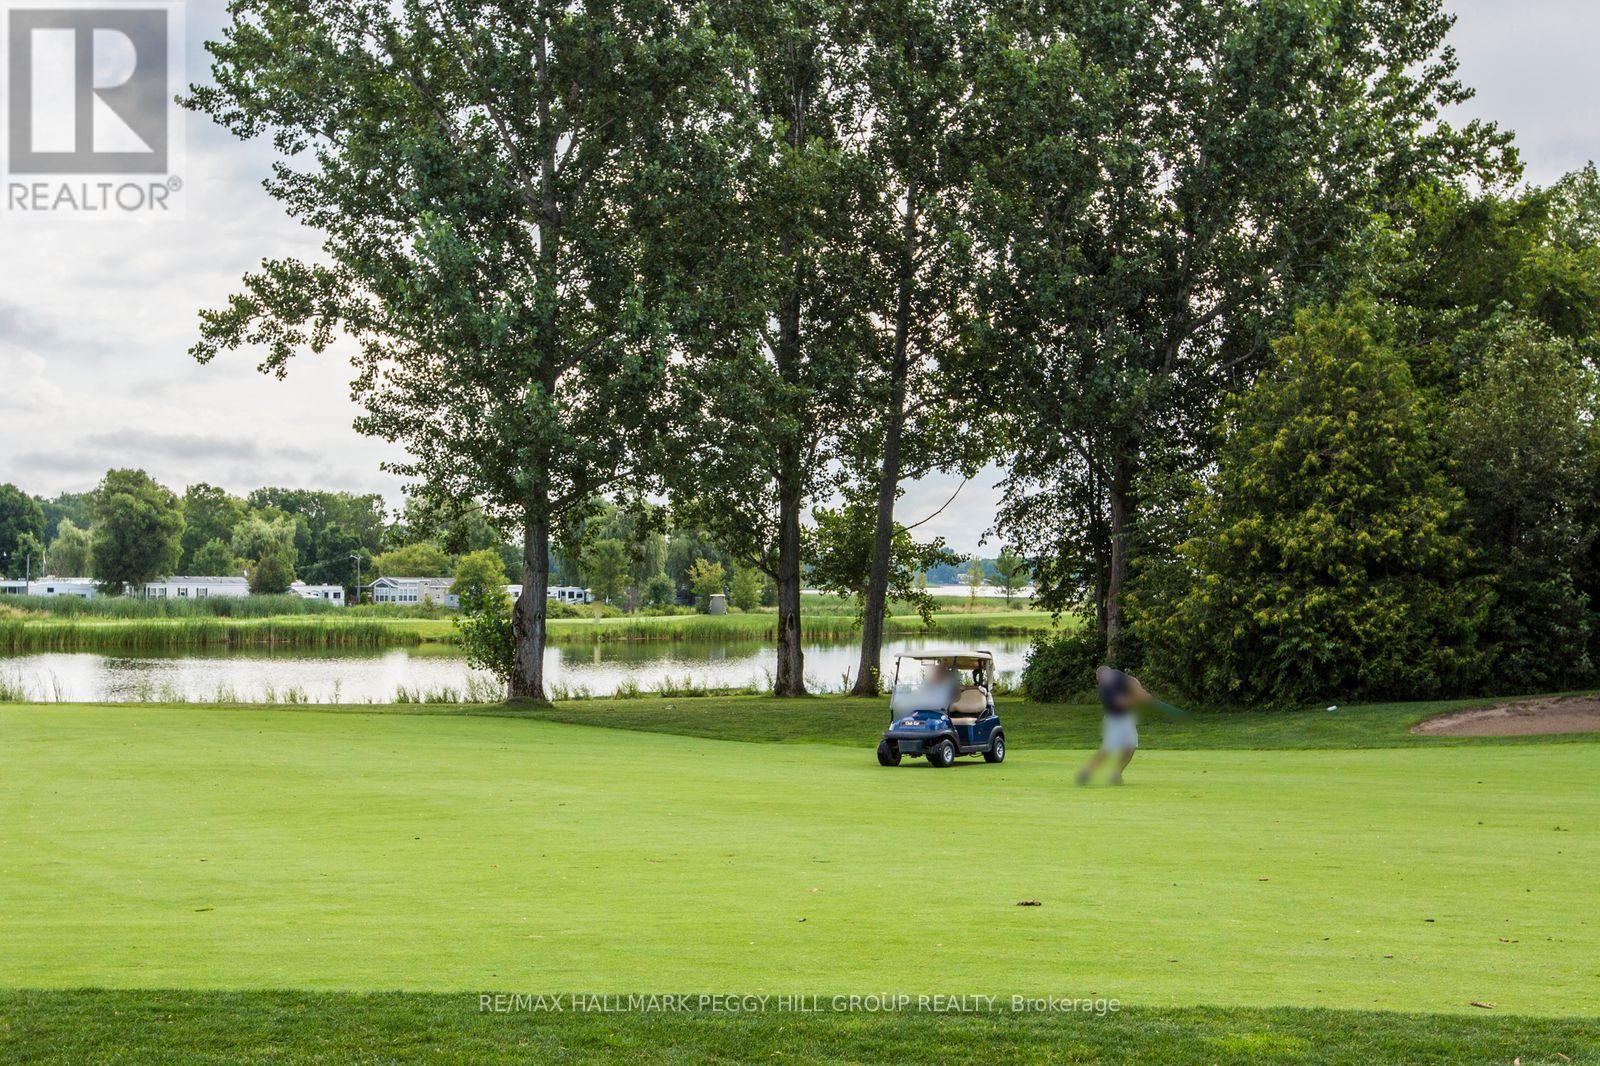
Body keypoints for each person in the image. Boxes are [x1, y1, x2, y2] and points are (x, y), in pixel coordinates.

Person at [1076, 664, 1149, 785]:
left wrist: (1139, 691)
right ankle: (1086, 772)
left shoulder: (1116, 674)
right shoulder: (1105, 692)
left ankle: (1116, 774)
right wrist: (1140, 699)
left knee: (1131, 746)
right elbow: (1123, 703)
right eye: (1103, 679)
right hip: (1114, 721)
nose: (1107, 679)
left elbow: (1131, 680)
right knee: (1108, 749)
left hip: (1127, 718)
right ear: (1100, 680)